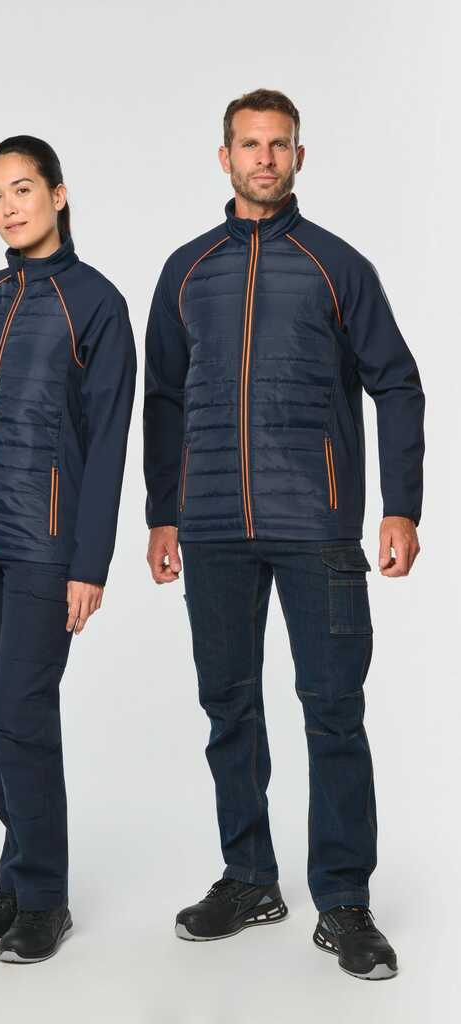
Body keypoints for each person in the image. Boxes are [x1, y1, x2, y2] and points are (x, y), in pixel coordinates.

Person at [143, 89, 424, 981]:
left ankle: (342, 901)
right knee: (227, 706)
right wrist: (161, 513)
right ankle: (248, 879)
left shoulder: (337, 265)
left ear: (299, 156)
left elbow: (396, 382)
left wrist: (400, 505)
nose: (263, 158)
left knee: (332, 710)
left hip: (318, 527)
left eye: (278, 144)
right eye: (249, 144)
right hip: (211, 530)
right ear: (223, 156)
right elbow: (162, 399)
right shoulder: (186, 271)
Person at [0, 135, 136, 963]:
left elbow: (107, 442)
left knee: (20, 713)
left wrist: (89, 563)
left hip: (43, 546)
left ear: (58, 195)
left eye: (22, 190)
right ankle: (17, 878)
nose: (8, 208)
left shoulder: (96, 303)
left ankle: (44, 899)